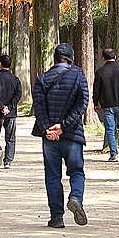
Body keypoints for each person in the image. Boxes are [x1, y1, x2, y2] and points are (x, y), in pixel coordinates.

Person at [33, 43, 89, 228]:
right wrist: (63, 127)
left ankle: (56, 217)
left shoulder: (41, 79)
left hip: (50, 139)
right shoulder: (79, 75)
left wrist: (48, 129)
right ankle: (76, 198)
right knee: (76, 171)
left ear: (55, 59)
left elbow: (39, 109)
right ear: (71, 59)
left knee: (52, 175)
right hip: (72, 134)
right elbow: (82, 104)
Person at [0, 54, 22, 169]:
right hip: (11, 114)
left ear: (0, 64)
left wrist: (1, 107)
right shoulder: (15, 79)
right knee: (10, 137)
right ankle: (8, 161)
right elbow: (18, 95)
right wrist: (9, 107)